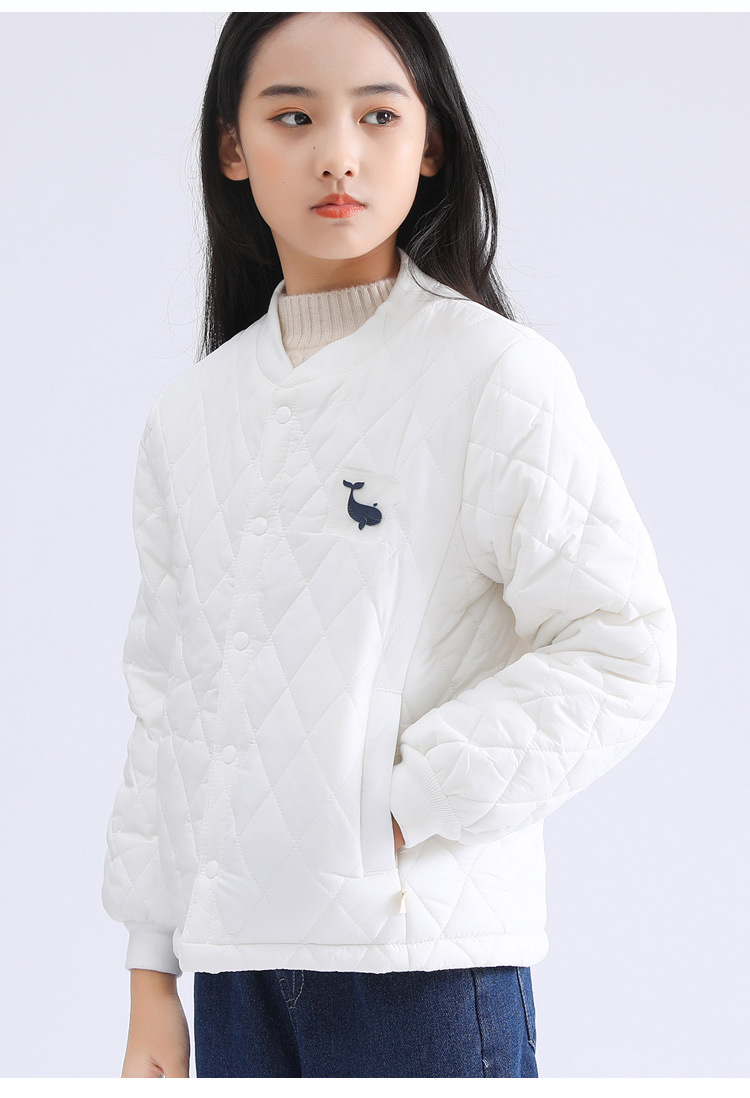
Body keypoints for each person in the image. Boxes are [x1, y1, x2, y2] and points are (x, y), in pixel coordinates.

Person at [101, 12, 678, 1080]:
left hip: (424, 972)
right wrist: (151, 973)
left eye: (377, 115)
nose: (338, 154)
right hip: (232, 975)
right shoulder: (190, 416)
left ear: (431, 142)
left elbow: (622, 643)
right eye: (293, 117)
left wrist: (402, 802)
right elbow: (167, 697)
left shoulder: (493, 375)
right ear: (232, 147)